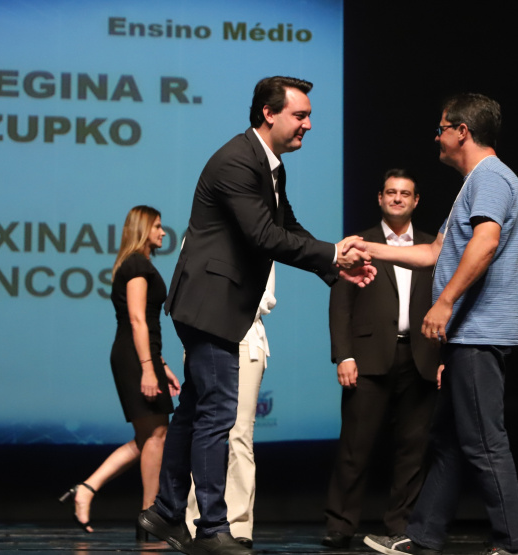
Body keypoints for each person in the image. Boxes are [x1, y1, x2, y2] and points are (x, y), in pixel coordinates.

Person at [138, 75, 375, 555]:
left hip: (217, 303)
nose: (309, 124)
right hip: (209, 303)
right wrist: (332, 255)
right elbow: (265, 237)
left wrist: (335, 269)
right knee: (219, 413)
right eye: (300, 115)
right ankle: (210, 529)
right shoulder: (236, 161)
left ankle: (163, 511)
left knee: (194, 410)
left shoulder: (270, 166)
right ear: (269, 113)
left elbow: (287, 224)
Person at [359, 93, 518, 555]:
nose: (437, 136)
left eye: (441, 128)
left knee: (483, 442)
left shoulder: (490, 177)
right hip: (466, 336)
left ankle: (511, 543)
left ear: (462, 132)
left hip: (479, 332)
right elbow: (434, 253)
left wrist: (445, 303)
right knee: (450, 440)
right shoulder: (477, 181)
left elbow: (486, 242)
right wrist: (368, 247)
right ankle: (424, 534)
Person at [323, 170, 440, 549]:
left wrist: (443, 356)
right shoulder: (361, 243)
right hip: (368, 356)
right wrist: (344, 354)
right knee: (356, 447)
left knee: (413, 450)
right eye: (391, 192)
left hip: (420, 355)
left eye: (405, 193)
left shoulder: (431, 247)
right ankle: (340, 525)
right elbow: (341, 303)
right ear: (379, 198)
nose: (397, 198)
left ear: (416, 201)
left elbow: (446, 302)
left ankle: (400, 527)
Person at [60, 205, 181, 539]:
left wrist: (162, 366)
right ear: (143, 229)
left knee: (149, 438)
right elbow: (137, 319)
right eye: (158, 226)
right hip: (134, 358)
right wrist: (148, 369)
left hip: (142, 356)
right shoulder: (138, 264)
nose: (163, 232)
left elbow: (148, 325)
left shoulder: (137, 263)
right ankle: (150, 517)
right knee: (156, 436)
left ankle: (87, 488)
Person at [184, 268, 277, 548]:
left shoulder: (264, 236)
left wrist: (221, 301)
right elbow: (188, 289)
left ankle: (238, 524)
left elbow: (266, 297)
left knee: (240, 435)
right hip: (204, 338)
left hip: (246, 340)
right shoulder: (201, 231)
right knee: (204, 430)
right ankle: (196, 520)